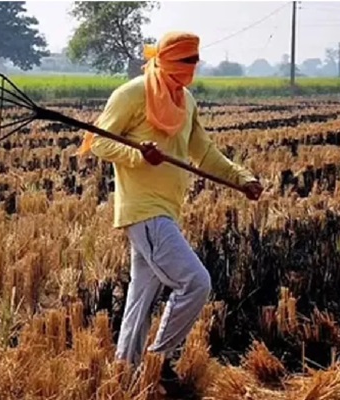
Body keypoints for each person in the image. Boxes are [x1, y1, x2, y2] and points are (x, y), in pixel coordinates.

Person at [80, 31, 263, 395]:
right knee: (196, 282)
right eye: (186, 61)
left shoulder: (186, 100)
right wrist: (137, 154)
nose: (192, 68)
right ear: (166, 60)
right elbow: (97, 141)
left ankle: (126, 372)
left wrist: (242, 178)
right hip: (144, 211)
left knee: (141, 297)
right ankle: (158, 360)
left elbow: (204, 152)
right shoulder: (132, 93)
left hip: (167, 210)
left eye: (195, 61)